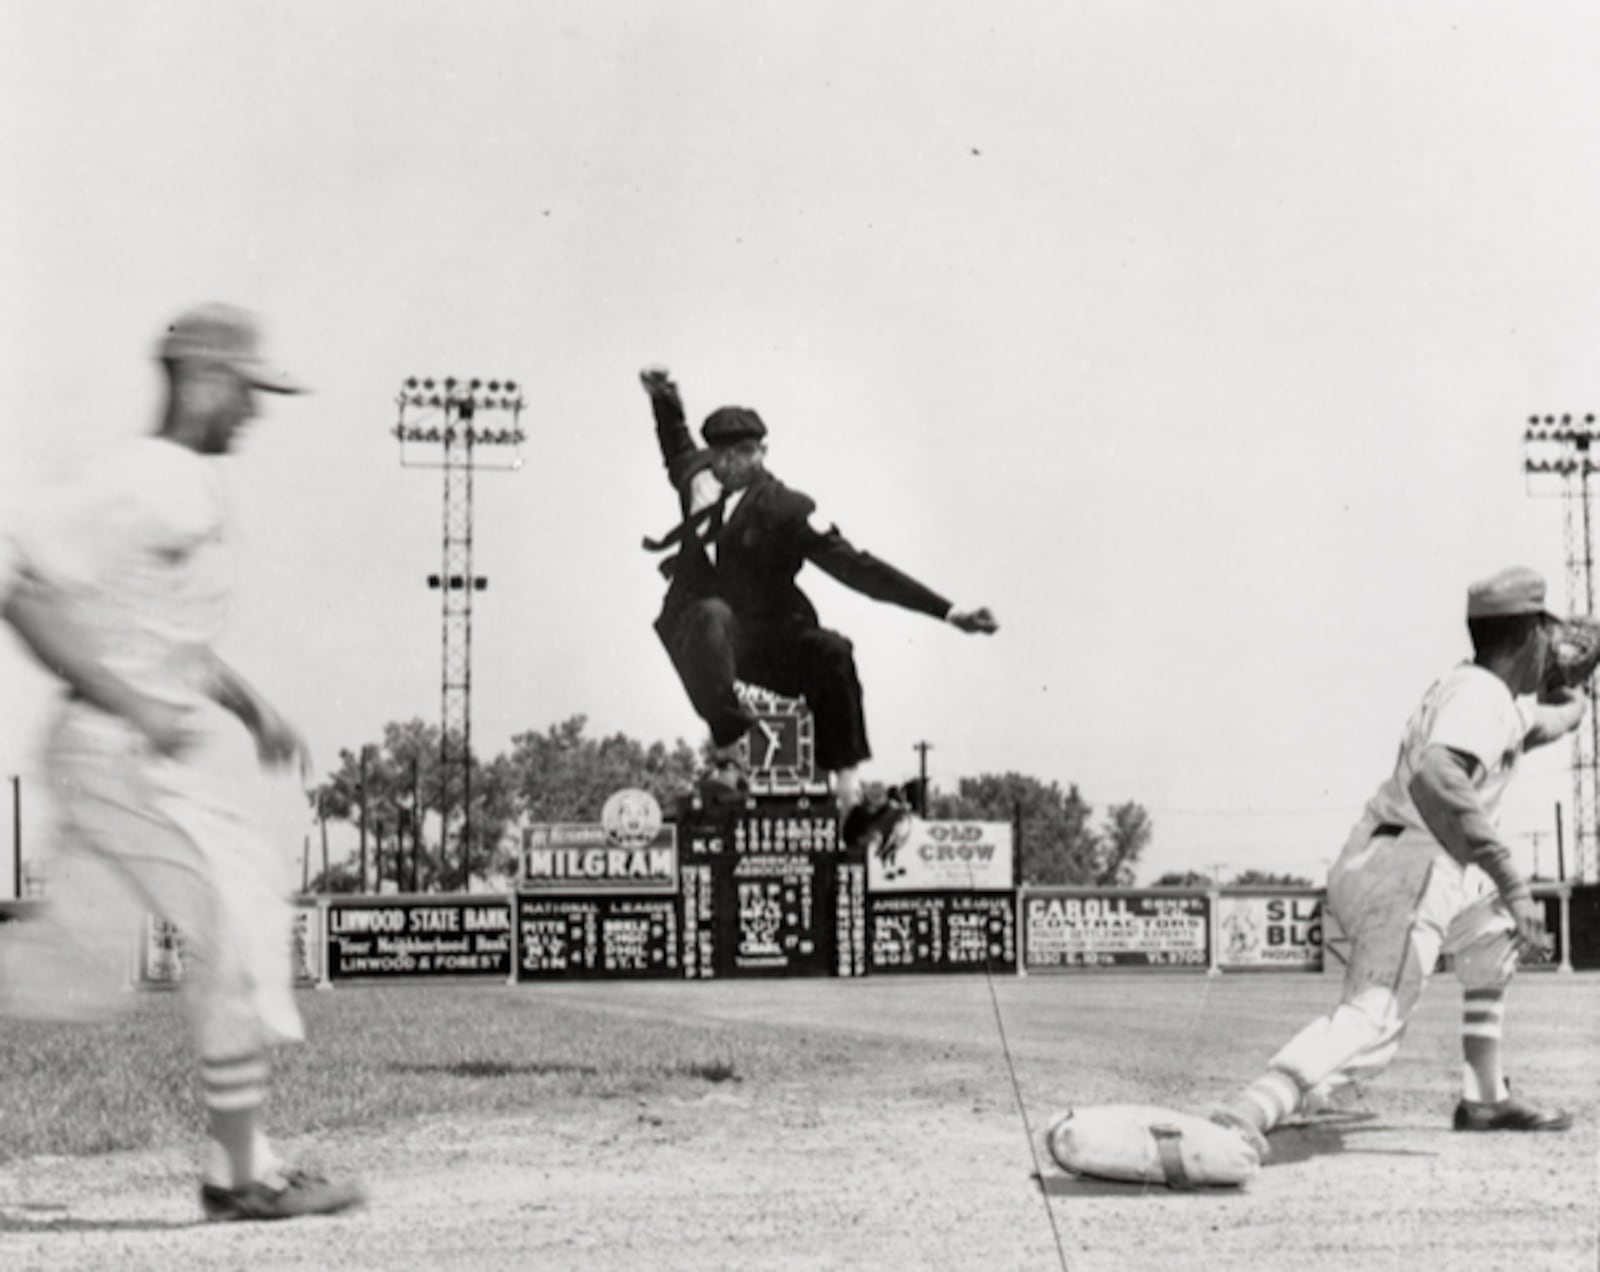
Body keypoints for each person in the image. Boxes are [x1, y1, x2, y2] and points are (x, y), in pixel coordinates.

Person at [0, 303, 364, 1221]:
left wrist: (252, 710)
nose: (255, 410)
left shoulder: (182, 485)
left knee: (68, 975)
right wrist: (131, 702)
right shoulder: (136, 479)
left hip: (127, 755)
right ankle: (241, 1174)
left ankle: (242, 1167)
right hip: (112, 749)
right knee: (234, 911)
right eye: (247, 389)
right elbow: (14, 584)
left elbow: (171, 642)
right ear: (204, 379)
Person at [1209, 565, 1580, 1161]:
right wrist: (1512, 878)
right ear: (1532, 635)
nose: (1555, 646)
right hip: (1411, 866)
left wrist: (1573, 686)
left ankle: (1484, 1096)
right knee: (1375, 1020)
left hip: (1394, 856)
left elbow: (1556, 721)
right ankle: (1250, 1110)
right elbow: (1439, 775)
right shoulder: (1481, 698)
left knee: (1493, 937)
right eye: (1549, 636)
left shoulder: (1485, 693)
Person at [638, 366, 997, 825]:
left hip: (768, 639)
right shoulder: (695, 476)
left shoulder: (787, 508)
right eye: (725, 456)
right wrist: (663, 395)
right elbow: (674, 439)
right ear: (715, 456)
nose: (734, 466)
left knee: (833, 652)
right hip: (703, 635)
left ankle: (849, 799)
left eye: (747, 454)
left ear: (762, 453)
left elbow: (858, 567)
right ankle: (729, 760)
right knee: (710, 614)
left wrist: (948, 611)